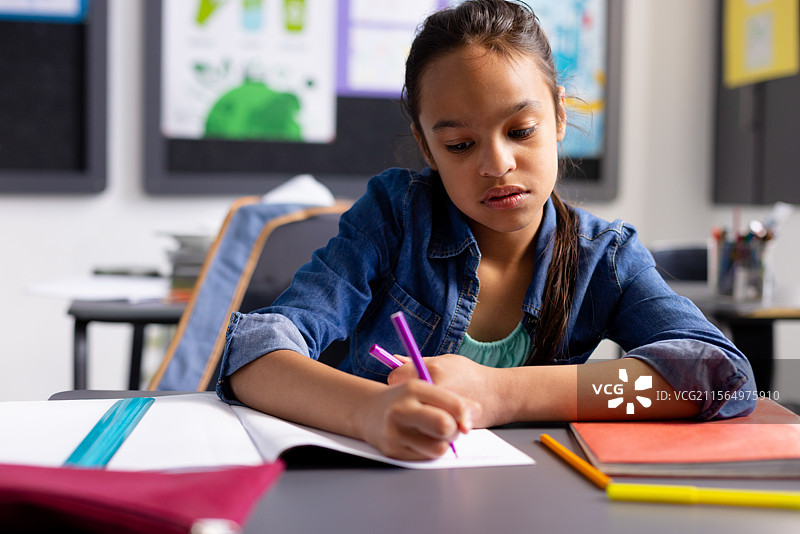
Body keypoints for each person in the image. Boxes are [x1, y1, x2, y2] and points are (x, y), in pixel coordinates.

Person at [218, 0, 756, 460]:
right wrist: (371, 413)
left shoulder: (604, 257)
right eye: (459, 145)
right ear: (427, 146)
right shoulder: (393, 218)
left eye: (521, 130)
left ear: (559, 117)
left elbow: (719, 377)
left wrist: (503, 393)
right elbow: (256, 353)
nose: (497, 164)